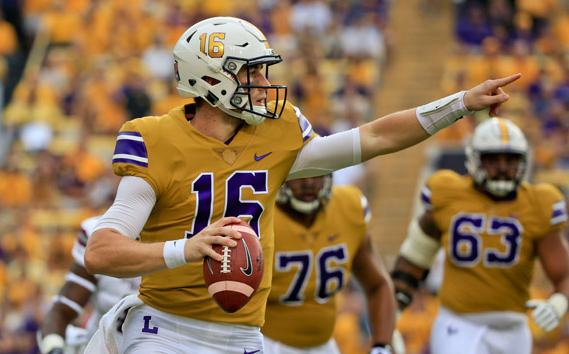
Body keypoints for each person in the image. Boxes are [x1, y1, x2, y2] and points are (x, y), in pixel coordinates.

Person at [83, 16, 520, 354]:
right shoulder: (154, 138)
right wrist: (187, 248)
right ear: (211, 79)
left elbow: (375, 137)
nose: (264, 85)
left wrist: (460, 104)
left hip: (244, 337)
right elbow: (101, 251)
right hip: (164, 329)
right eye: (251, 75)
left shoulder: (279, 131)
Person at [391, 118, 569, 354]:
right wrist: (394, 306)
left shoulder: (539, 203)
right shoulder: (447, 193)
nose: (503, 167)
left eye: (510, 160)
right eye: (493, 159)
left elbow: (564, 274)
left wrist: (559, 302)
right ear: (474, 159)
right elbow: (416, 256)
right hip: (458, 322)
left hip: (513, 328)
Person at [261, 174, 402, 354]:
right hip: (265, 343)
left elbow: (378, 285)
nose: (309, 182)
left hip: (325, 346)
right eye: (300, 174)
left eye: (317, 172)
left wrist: (381, 346)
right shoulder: (259, 214)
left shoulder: (348, 206)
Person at [38, 216, 140, 354]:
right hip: (103, 347)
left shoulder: (178, 244)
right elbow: (61, 311)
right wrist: (54, 349)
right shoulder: (101, 233)